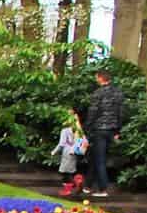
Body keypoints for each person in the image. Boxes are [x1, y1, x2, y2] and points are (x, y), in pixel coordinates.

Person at [82, 69, 127, 198]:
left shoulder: (98, 93)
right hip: (112, 129)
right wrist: (118, 130)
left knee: (99, 160)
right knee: (96, 157)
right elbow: (121, 113)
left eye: (96, 77)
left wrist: (86, 129)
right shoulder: (118, 93)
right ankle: (87, 185)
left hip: (99, 129)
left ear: (100, 78)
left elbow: (93, 112)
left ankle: (103, 189)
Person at [53, 110, 88, 198]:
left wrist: (54, 151)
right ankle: (77, 182)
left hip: (67, 152)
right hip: (76, 151)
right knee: (71, 171)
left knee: (64, 172)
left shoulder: (65, 130)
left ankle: (73, 186)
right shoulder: (79, 129)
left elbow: (61, 144)